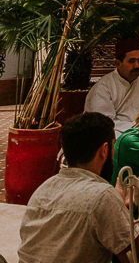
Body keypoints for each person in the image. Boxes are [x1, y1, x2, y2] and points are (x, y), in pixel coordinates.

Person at [19, 112, 132, 263]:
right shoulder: (103, 196)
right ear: (104, 150)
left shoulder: (44, 188)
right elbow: (135, 254)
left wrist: (117, 208)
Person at [84, 36, 139, 134]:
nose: (137, 65)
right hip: (118, 134)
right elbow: (102, 124)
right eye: (132, 61)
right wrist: (137, 128)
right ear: (117, 63)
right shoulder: (103, 88)